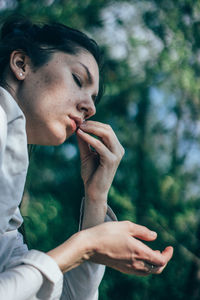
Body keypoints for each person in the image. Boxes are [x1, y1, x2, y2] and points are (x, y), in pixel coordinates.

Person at [0, 16, 173, 300]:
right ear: (21, 64)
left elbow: (63, 296)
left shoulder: (8, 200)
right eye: (78, 79)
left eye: (93, 99)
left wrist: (96, 198)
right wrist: (86, 246)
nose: (90, 107)